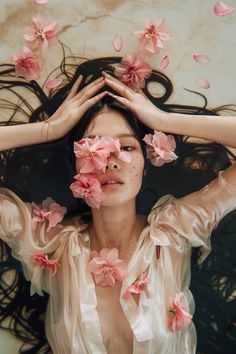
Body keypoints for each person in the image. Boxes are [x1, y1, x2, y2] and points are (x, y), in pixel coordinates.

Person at [0, 55, 236, 354]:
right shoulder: (49, 245)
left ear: (147, 162)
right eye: (93, 148)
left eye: (126, 147)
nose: (110, 161)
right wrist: (48, 130)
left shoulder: (172, 233)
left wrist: (164, 121)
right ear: (74, 166)